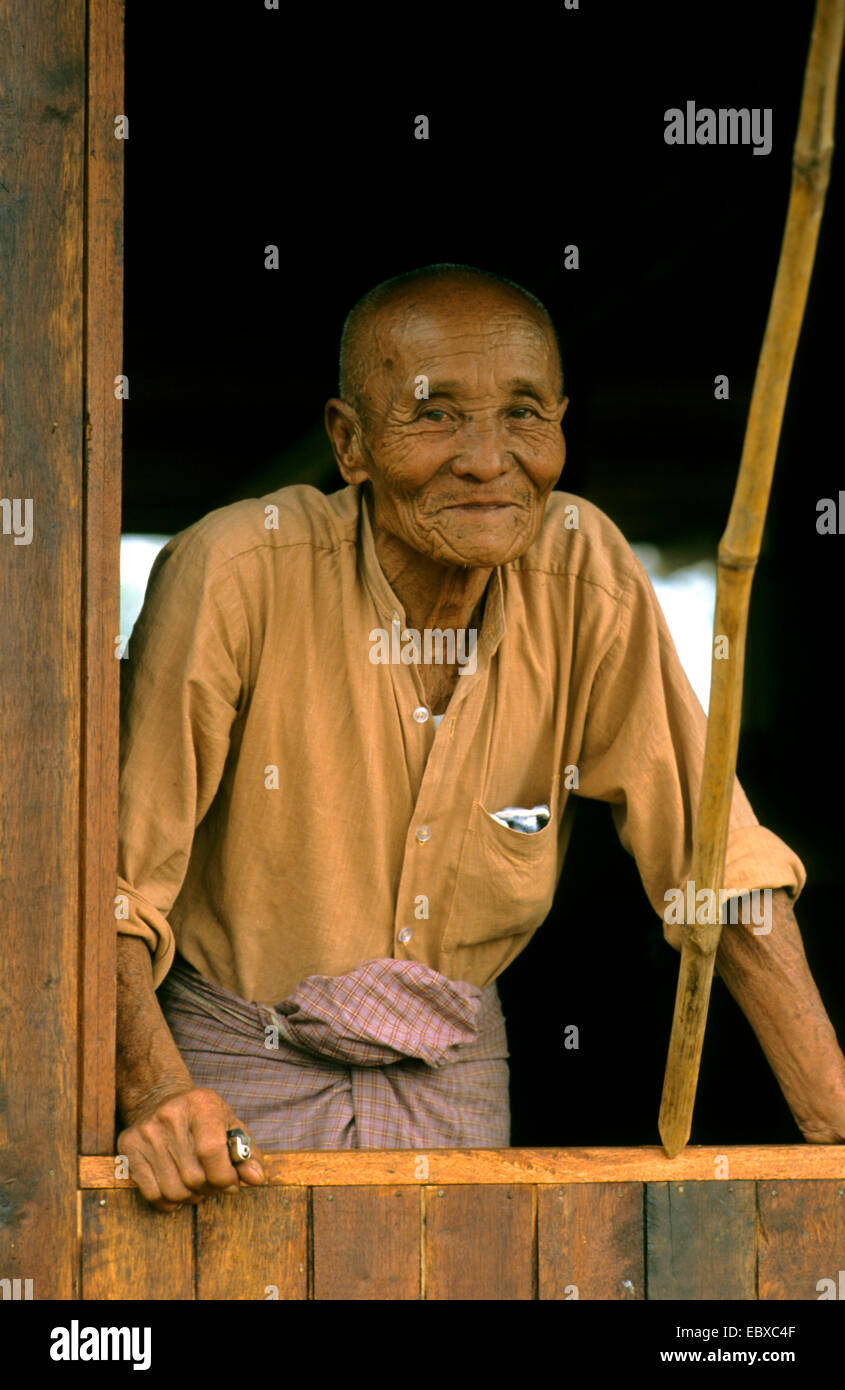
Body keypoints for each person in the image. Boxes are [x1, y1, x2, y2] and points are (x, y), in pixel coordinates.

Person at [115, 263, 845, 1212]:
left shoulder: (585, 571)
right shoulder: (237, 570)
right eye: (434, 415)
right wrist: (158, 1094)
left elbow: (715, 863)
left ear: (561, 428)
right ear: (350, 442)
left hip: (453, 1093)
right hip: (230, 1091)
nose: (487, 459)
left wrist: (833, 1115)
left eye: (524, 414)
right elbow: (112, 893)